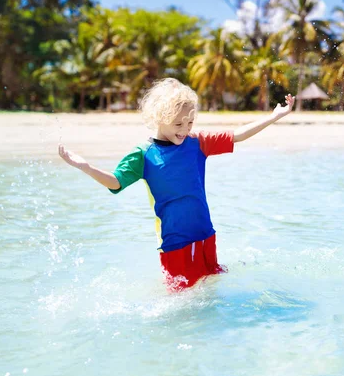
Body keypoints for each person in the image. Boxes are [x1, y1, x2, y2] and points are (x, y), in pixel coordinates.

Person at [58, 78, 295, 290]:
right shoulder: (144, 155)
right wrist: (86, 168)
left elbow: (238, 135)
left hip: (205, 236)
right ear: (160, 118)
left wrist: (274, 116)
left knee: (211, 291)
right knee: (181, 303)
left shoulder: (197, 143)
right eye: (178, 124)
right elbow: (116, 183)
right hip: (175, 244)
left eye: (190, 122)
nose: (185, 130)